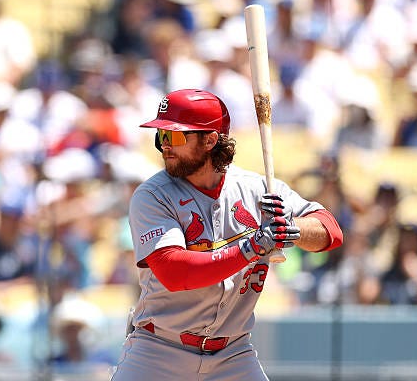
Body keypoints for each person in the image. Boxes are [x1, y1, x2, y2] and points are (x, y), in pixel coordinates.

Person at [111, 89, 343, 380]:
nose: (165, 146)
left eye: (176, 136)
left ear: (209, 140)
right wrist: (252, 247)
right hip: (159, 351)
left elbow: (330, 231)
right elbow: (175, 272)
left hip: (233, 354)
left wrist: (290, 229)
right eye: (162, 136)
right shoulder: (153, 195)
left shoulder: (256, 189)